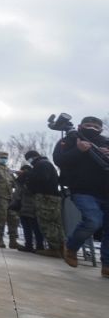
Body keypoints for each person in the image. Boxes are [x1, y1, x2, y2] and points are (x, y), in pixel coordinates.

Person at [52, 116, 108, 276]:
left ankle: (107, 266)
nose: (91, 128)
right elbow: (59, 160)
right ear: (80, 126)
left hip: (106, 191)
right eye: (88, 125)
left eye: (95, 127)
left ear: (101, 129)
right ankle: (71, 247)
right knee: (93, 220)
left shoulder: (106, 142)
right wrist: (78, 150)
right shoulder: (70, 140)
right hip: (82, 190)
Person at [21, 150, 65, 259]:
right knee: (55, 224)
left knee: (47, 223)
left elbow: (41, 179)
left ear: (32, 157)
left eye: (29, 159)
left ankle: (54, 248)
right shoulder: (46, 163)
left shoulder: (41, 164)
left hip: (45, 197)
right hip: (52, 197)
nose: (29, 162)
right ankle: (61, 247)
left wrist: (27, 175)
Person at [12, 164, 45, 253]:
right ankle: (33, 245)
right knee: (30, 228)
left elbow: (19, 193)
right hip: (26, 208)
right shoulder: (23, 181)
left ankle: (37, 246)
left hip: (30, 207)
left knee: (33, 228)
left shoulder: (29, 181)